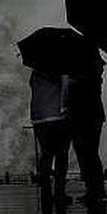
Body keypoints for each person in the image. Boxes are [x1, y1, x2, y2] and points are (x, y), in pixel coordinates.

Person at [30, 65, 73, 206]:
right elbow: (66, 85)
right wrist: (65, 106)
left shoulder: (35, 71)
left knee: (46, 154)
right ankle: (59, 193)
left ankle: (45, 192)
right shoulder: (60, 66)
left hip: (39, 117)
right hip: (58, 116)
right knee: (62, 154)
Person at [69, 47, 107, 203]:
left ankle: (94, 190)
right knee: (90, 153)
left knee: (87, 153)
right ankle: (96, 189)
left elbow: (79, 93)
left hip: (84, 116)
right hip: (94, 116)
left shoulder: (85, 77)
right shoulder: (95, 75)